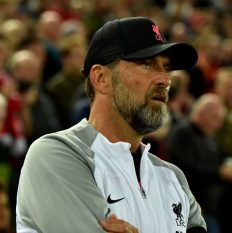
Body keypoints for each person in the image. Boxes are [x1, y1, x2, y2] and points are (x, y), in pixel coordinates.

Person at [16, 16, 206, 233]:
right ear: (100, 78)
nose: (165, 79)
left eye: (166, 68)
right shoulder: (56, 155)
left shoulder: (173, 178)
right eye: (146, 64)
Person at [166, 93, 232, 233]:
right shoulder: (182, 133)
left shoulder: (211, 139)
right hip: (190, 210)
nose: (218, 124)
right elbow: (183, 170)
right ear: (200, 113)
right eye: (215, 118)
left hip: (211, 210)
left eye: (221, 120)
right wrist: (219, 172)